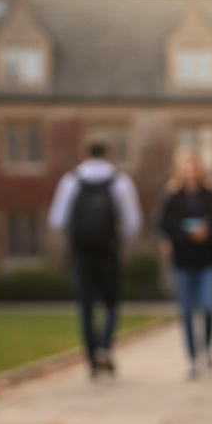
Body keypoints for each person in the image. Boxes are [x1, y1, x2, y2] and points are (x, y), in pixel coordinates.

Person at [48, 142, 142, 377]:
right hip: (108, 251)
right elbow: (133, 221)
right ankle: (104, 346)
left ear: (83, 155)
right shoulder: (120, 181)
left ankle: (91, 360)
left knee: (86, 306)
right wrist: (120, 242)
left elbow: (57, 220)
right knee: (111, 303)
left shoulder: (71, 181)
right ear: (109, 156)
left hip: (82, 252)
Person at [158, 148, 212, 379]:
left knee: (208, 307)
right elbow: (162, 226)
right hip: (182, 261)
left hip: (206, 261)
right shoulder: (172, 196)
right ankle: (192, 359)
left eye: (193, 166)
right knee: (187, 312)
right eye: (185, 167)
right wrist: (177, 238)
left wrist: (207, 232)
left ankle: (207, 349)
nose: (189, 171)